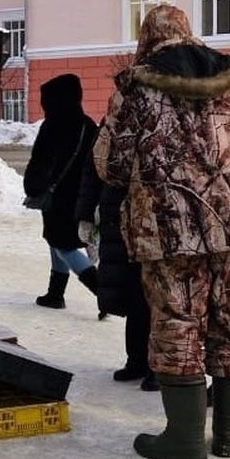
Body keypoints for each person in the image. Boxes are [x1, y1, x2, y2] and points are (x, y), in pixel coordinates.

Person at [94, 5, 230, 459]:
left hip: (172, 228)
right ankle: (228, 434)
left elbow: (111, 164)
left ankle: (184, 440)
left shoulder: (137, 89)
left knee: (179, 322)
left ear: (148, 39)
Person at [23, 73, 105, 317]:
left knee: (64, 246)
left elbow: (40, 161)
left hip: (58, 198)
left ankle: (100, 290)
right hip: (83, 197)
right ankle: (55, 294)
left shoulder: (53, 125)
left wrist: (33, 186)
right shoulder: (88, 125)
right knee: (57, 241)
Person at [76, 153, 158, 391]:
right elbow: (93, 168)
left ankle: (159, 366)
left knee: (158, 297)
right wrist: (85, 213)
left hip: (156, 218)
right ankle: (137, 360)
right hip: (118, 216)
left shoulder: (165, 119)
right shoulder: (113, 124)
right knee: (131, 292)